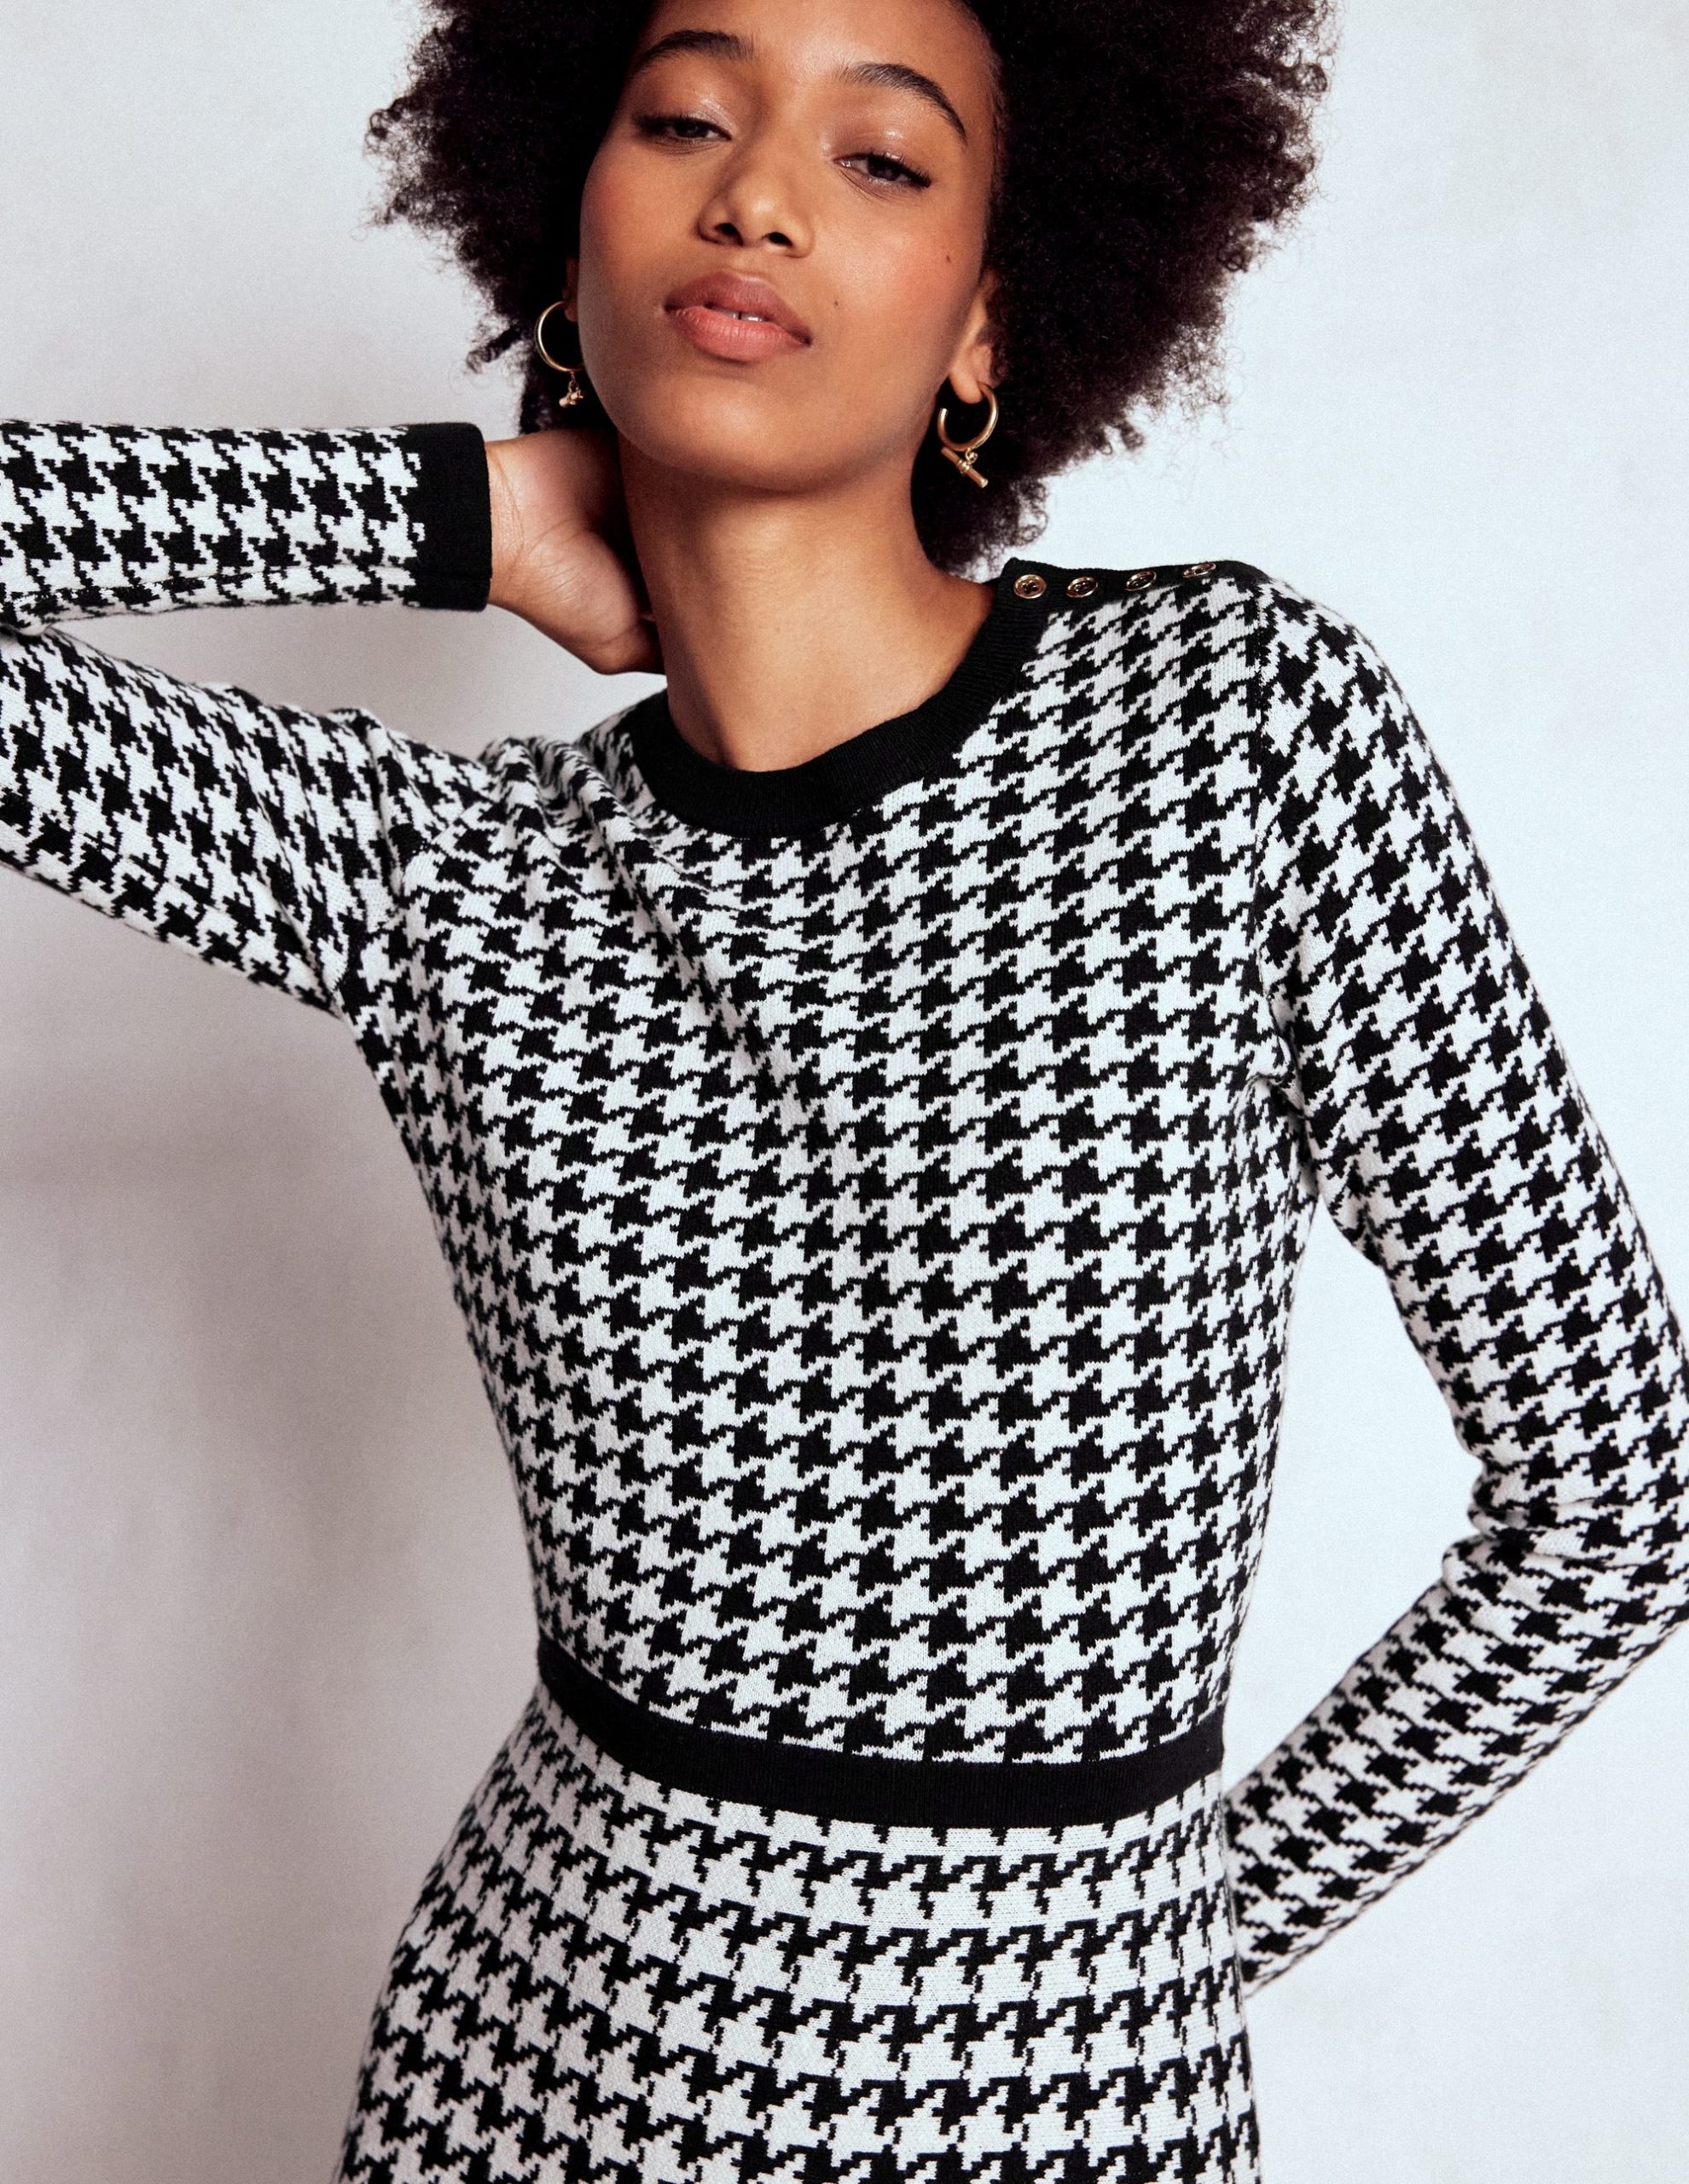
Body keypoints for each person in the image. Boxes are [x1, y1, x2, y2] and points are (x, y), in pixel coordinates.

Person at [3, 0, 1686, 2176]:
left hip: (1053, 2109)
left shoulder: (1233, 736)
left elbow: (1619, 1493)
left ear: (985, 324)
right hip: (518, 2068)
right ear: (570, 242)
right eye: (682, 116)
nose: (758, 195)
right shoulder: (452, 877)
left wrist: (1148, 1945)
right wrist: (452, 514)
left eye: (881, 158)